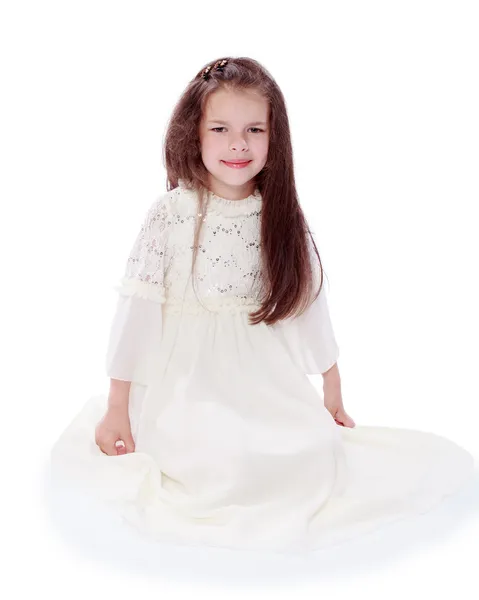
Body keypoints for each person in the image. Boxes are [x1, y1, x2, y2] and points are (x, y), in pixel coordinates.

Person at [48, 56, 475, 555]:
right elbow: (136, 315)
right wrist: (117, 406)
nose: (238, 144)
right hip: (184, 381)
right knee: (211, 462)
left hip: (259, 380)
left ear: (276, 139)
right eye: (221, 128)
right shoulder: (171, 214)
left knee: (305, 453)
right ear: (194, 133)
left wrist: (331, 384)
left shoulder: (280, 217)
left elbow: (308, 305)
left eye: (255, 129)